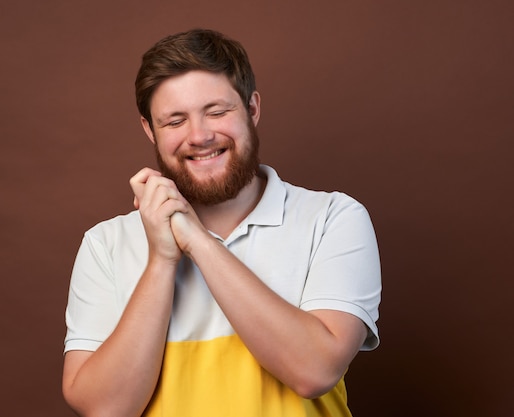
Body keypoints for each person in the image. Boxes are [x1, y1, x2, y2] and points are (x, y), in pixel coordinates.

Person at [62, 28, 381, 417]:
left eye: (216, 112)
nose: (199, 135)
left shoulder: (333, 219)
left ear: (252, 109)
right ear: (150, 130)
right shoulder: (105, 244)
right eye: (175, 121)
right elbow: (105, 409)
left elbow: (314, 370)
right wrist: (162, 261)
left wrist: (198, 241)